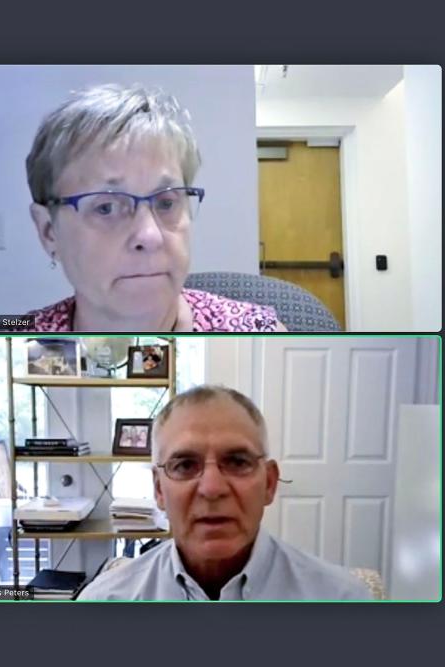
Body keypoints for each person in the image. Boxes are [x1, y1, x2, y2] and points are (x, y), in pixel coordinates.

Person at [18, 84, 285, 332]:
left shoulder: (258, 328)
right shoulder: (13, 332)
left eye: (166, 202)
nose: (150, 236)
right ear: (49, 231)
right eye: (106, 207)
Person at [78, 385, 370, 601]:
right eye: (185, 465)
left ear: (269, 483)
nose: (212, 489)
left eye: (237, 462)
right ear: (159, 490)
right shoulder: (105, 600)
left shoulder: (344, 599)